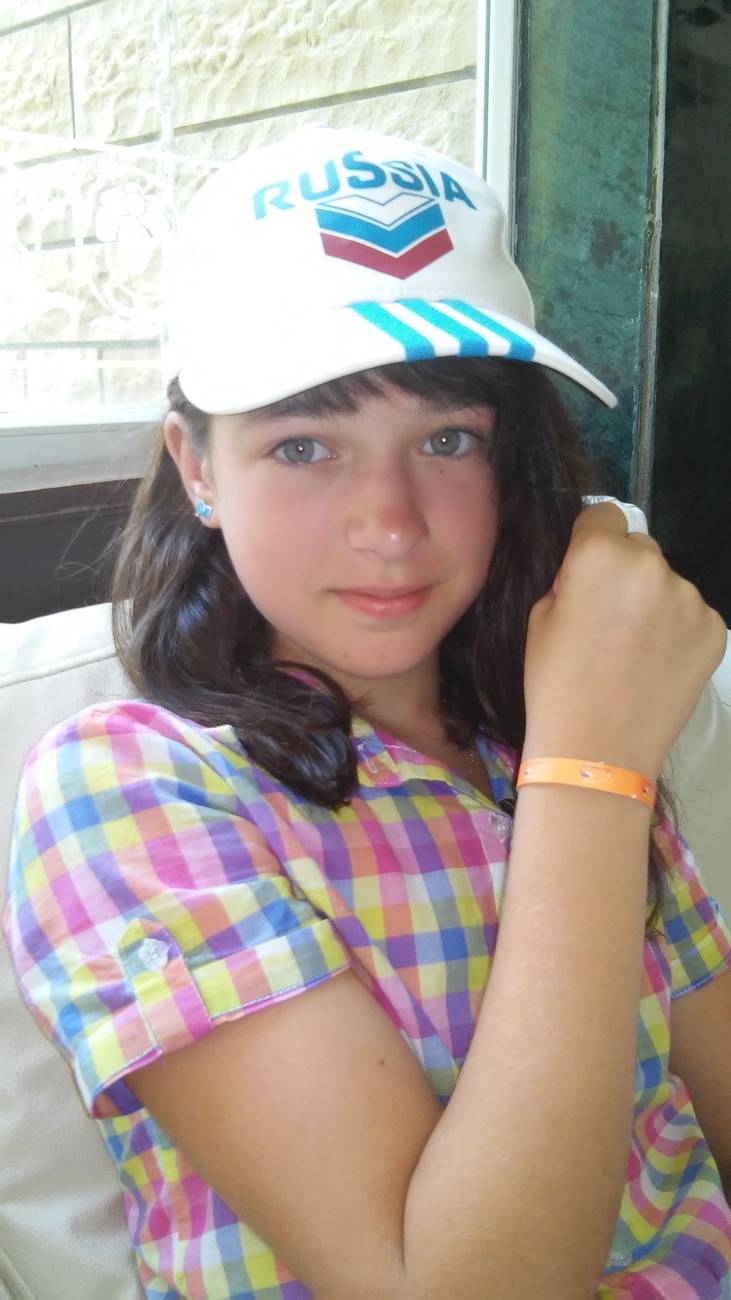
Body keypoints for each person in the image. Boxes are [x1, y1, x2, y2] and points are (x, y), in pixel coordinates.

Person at [4, 126, 730, 1300]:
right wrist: (590, 770)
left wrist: (583, 749)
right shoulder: (129, 788)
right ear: (197, 465)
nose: (389, 523)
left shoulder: (549, 722)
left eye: (446, 438)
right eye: (304, 445)